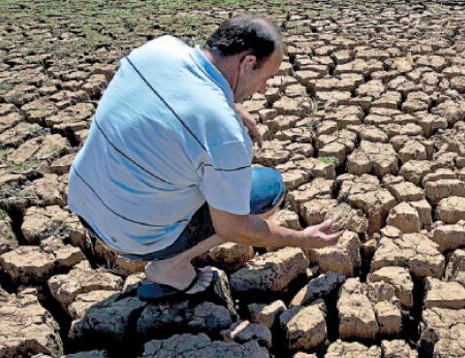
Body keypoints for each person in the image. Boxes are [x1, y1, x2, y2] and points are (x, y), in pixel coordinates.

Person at [67, 14, 343, 300]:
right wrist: (302, 239)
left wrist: (229, 104)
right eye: (265, 78)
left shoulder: (157, 50)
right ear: (247, 64)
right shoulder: (223, 131)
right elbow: (234, 227)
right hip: (132, 238)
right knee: (267, 188)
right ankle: (170, 266)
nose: (263, 89)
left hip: (85, 203)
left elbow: (172, 94)